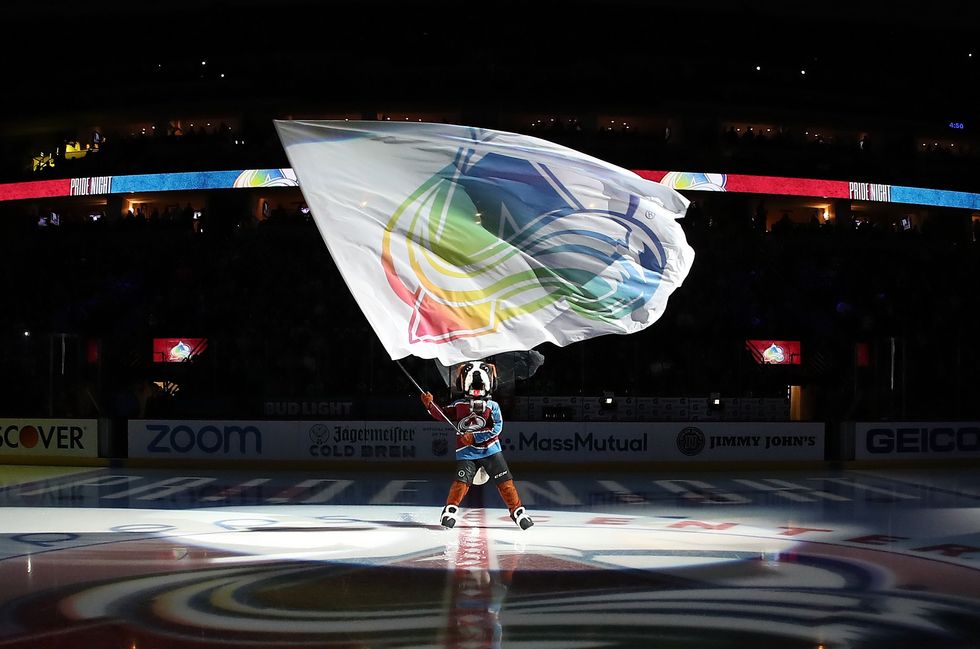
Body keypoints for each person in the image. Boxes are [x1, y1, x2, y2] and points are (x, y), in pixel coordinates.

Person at [421, 359, 533, 530]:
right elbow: (442, 415)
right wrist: (430, 405)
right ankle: (450, 510)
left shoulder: (493, 406)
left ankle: (517, 511)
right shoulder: (459, 405)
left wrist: (474, 437)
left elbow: (497, 428)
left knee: (505, 482)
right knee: (461, 482)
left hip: (491, 451)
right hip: (467, 453)